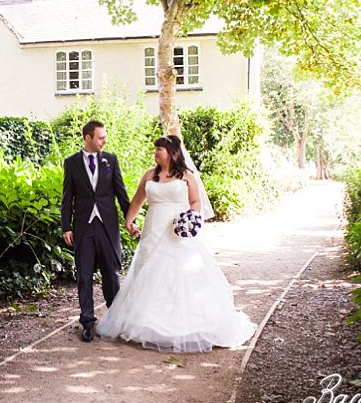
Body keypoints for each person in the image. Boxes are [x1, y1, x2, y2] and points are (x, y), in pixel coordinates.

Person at [96, 134, 256, 352]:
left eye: (159, 150)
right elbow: (137, 200)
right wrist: (129, 221)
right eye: (155, 150)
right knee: (149, 272)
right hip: (153, 228)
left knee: (179, 272)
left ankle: (186, 325)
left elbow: (195, 201)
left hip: (177, 231)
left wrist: (191, 219)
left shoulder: (186, 176)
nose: (155, 153)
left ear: (172, 153)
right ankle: (149, 323)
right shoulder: (149, 175)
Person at [61, 120, 131, 342]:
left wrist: (130, 221)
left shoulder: (110, 160)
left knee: (111, 272)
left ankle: (115, 317)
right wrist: (66, 227)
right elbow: (67, 198)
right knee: (84, 276)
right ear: (87, 138)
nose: (104, 141)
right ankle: (88, 323)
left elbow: (121, 194)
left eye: (105, 137)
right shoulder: (71, 163)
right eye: (100, 137)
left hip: (107, 226)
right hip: (83, 227)